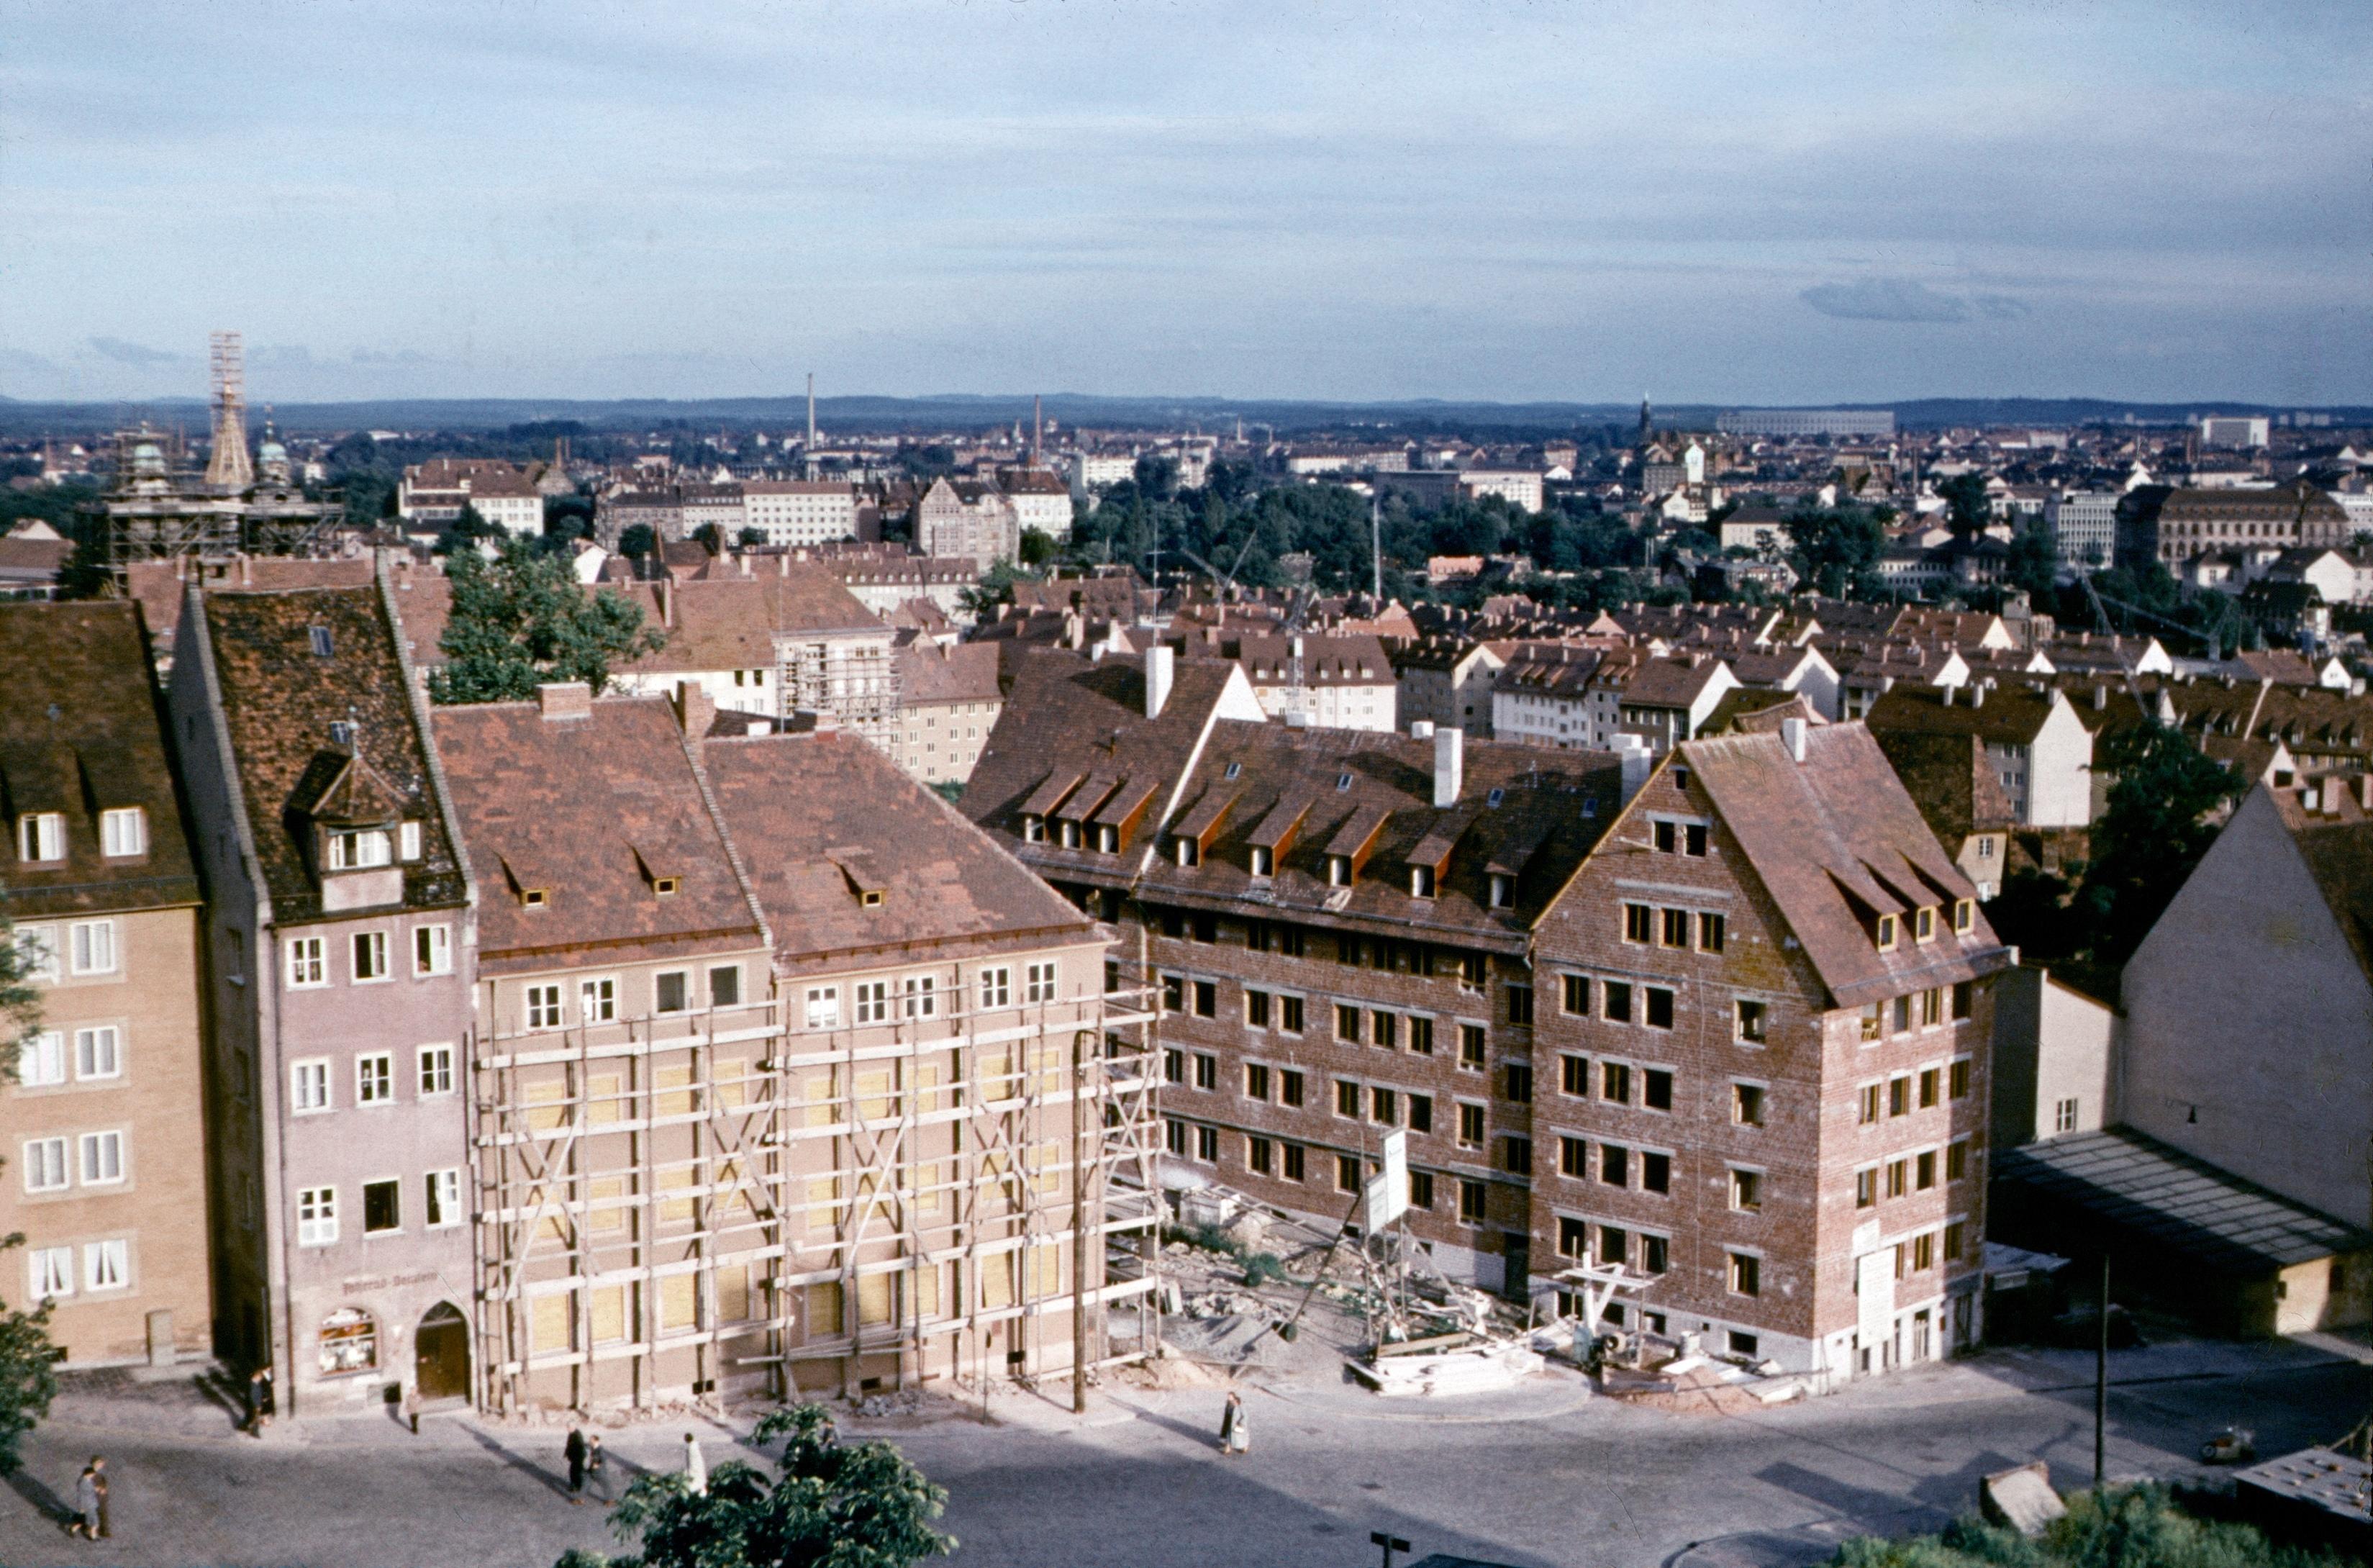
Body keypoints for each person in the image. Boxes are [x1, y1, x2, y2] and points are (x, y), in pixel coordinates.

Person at [68, 1462, 99, 1540]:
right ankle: (93, 1536)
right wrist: (82, 1507)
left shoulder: (87, 1480)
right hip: (88, 1505)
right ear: (89, 1474)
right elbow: (81, 1496)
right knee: (95, 1521)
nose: (93, 1476)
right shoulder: (83, 1483)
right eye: (92, 1474)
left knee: (86, 1519)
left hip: (91, 1503)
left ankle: (73, 1529)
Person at [1218, 1391, 1248, 1457]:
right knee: (1229, 1436)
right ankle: (1227, 1449)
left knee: (1240, 1438)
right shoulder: (1229, 1404)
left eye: (1230, 1397)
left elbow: (1245, 1416)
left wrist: (1241, 1424)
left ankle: (1244, 1447)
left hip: (1237, 1425)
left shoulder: (1240, 1407)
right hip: (1231, 1424)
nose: (1229, 1398)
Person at [564, 1428, 589, 1505]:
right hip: (576, 1458)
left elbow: (580, 1447)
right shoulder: (572, 1433)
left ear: (573, 1427)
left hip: (578, 1458)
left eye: (569, 1427)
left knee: (578, 1476)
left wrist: (579, 1459)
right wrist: (567, 1453)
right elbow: (569, 1445)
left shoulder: (577, 1436)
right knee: (573, 1473)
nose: (567, 1429)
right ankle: (574, 1486)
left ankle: (580, 1498)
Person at [585, 1434, 609, 1504]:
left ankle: (610, 1499)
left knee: (605, 1484)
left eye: (591, 1440)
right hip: (592, 1470)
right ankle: (579, 1498)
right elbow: (586, 1445)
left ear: (596, 1441)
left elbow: (603, 1459)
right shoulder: (593, 1447)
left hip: (599, 1471)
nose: (590, 1441)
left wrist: (597, 1464)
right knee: (586, 1483)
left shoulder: (600, 1449)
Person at [682, 1432, 707, 1496]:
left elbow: (693, 1460)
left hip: (695, 1468)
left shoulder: (692, 1448)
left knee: (696, 1480)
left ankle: (699, 1492)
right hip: (698, 1467)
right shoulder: (693, 1446)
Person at [91, 1456, 109, 1539]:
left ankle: (104, 1530)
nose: (102, 1465)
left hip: (101, 1498)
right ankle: (93, 1531)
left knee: (103, 1514)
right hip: (94, 1498)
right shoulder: (90, 1474)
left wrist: (104, 1489)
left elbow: (104, 1484)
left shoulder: (100, 1475)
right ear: (95, 1464)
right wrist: (99, 1489)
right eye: (100, 1463)